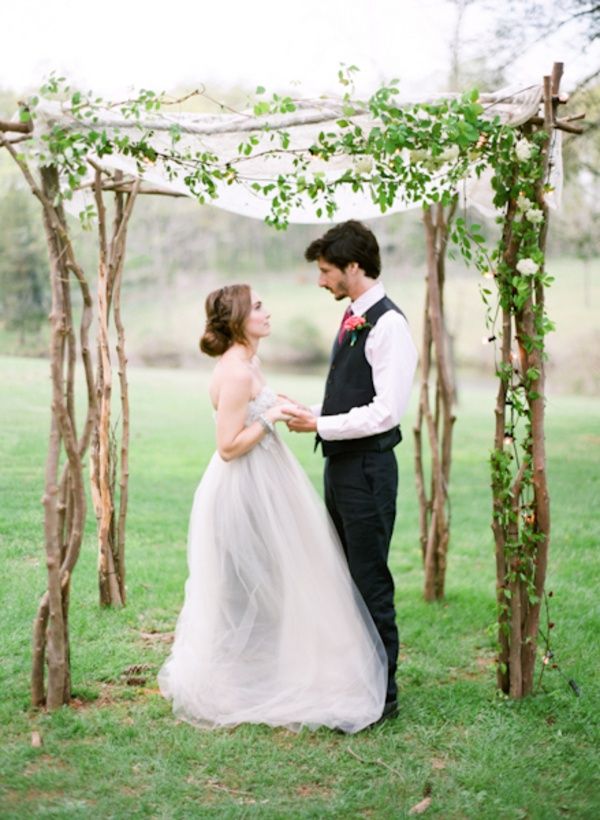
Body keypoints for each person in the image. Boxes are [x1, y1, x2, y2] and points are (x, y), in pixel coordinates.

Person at [158, 283, 387, 733]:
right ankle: (235, 678)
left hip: (268, 479)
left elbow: (254, 410)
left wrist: (285, 406)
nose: (266, 311)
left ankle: (282, 667)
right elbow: (227, 447)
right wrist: (272, 418)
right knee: (256, 582)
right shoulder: (236, 372)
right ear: (239, 320)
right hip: (244, 487)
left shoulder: (250, 363)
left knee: (283, 579)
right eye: (258, 306)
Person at [286, 220, 418, 722]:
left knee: (369, 580)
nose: (321, 281)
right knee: (343, 578)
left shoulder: (389, 325)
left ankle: (382, 698)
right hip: (342, 469)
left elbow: (387, 412)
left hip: (367, 472)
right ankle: (353, 681)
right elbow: (353, 394)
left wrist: (321, 421)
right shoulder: (353, 315)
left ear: (354, 267)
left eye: (326, 271)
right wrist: (315, 413)